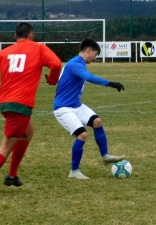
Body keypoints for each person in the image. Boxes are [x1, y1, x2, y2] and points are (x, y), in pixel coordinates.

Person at [0, 22, 62, 199]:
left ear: (15, 36)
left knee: (28, 132)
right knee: (5, 147)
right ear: (31, 35)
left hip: (5, 104)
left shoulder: (3, 52)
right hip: (20, 105)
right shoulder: (38, 49)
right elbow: (56, 64)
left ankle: (12, 175)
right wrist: (52, 80)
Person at [53, 38, 125, 180]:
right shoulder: (75, 64)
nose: (96, 58)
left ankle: (105, 156)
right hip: (63, 108)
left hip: (76, 105)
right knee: (82, 135)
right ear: (88, 50)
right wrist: (110, 83)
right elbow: (88, 77)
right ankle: (74, 171)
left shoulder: (78, 63)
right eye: (95, 54)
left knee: (97, 121)